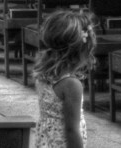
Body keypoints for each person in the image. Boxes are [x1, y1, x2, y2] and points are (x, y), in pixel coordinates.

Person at [34, 9, 97, 148]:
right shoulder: (71, 84)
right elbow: (71, 130)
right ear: (80, 50)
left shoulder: (44, 74)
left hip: (46, 141)